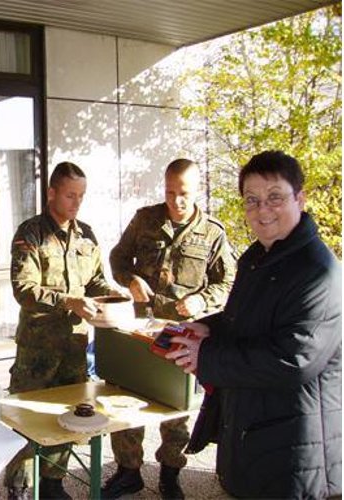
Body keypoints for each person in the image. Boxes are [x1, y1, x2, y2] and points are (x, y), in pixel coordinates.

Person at [166, 150, 341, 499]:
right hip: (256, 435)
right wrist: (208, 328)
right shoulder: (258, 257)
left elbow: (295, 359)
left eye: (275, 197)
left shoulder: (317, 270)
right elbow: (247, 318)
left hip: (297, 452)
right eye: (252, 200)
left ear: (300, 199)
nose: (262, 210)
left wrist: (208, 357)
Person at [102, 159, 237, 498]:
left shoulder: (212, 233)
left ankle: (170, 473)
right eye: (170, 192)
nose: (176, 201)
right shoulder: (145, 219)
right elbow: (118, 258)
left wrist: (202, 301)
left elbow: (228, 281)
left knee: (175, 409)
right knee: (126, 398)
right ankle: (128, 470)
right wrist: (130, 279)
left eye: (184, 194)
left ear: (197, 191)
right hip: (140, 326)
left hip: (181, 333)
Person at [3, 162, 120, 499]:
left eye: (81, 196)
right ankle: (20, 486)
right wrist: (68, 302)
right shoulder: (31, 233)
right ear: (52, 193)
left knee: (68, 419)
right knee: (27, 420)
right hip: (37, 350)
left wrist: (115, 298)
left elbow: (96, 280)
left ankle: (53, 482)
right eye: (70, 195)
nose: (76, 202)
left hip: (75, 347)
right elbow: (23, 289)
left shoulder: (86, 234)